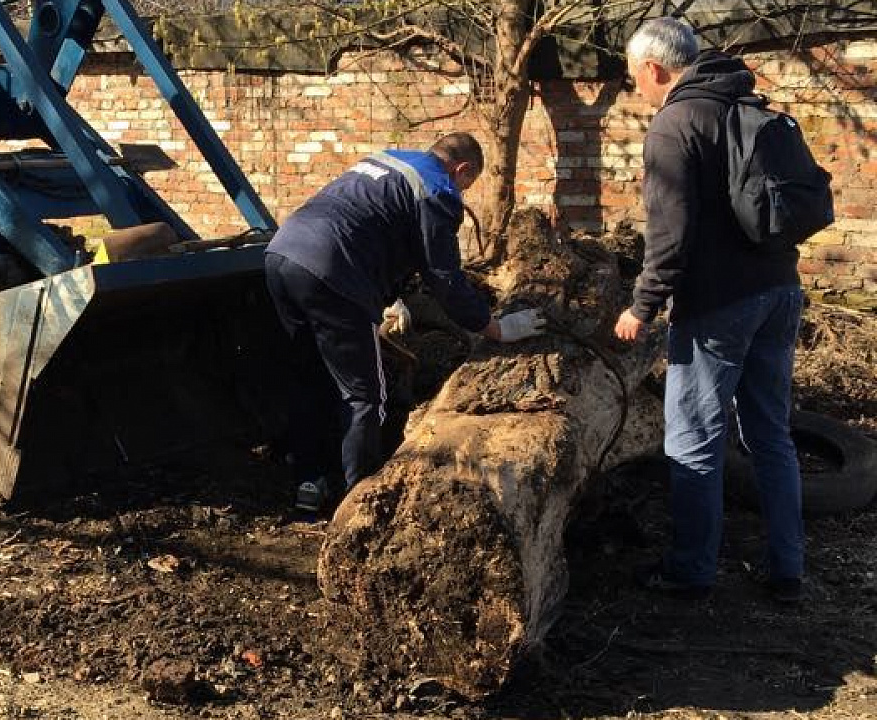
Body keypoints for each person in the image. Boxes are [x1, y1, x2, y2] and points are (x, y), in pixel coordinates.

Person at [616, 17, 806, 603]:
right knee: (771, 435)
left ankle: (691, 571)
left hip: (719, 304)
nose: (636, 89)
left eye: (633, 78)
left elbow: (668, 239)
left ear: (654, 68)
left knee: (693, 440)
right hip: (780, 291)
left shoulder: (674, 124)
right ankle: (787, 570)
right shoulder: (751, 106)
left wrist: (641, 307)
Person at [264, 133, 546, 513]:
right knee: (366, 396)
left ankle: (309, 484)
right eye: (467, 183)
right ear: (461, 169)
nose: (461, 192)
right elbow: (443, 276)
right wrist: (494, 327)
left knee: (309, 377)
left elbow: (368, 223)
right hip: (334, 273)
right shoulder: (437, 190)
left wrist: (391, 296)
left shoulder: (388, 160)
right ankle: (358, 503)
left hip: (282, 256)